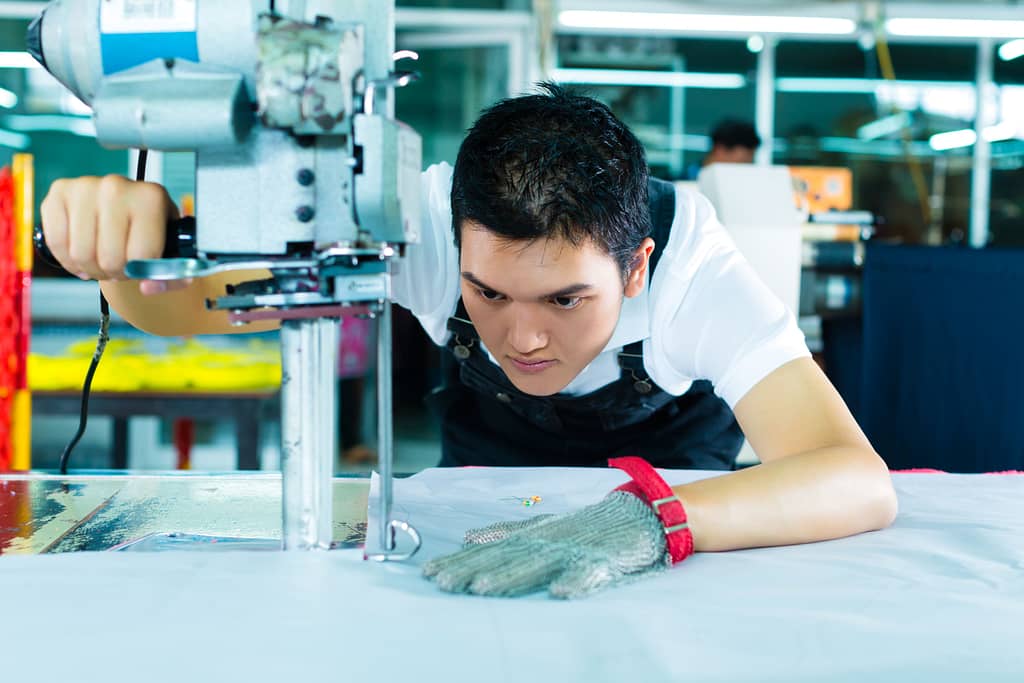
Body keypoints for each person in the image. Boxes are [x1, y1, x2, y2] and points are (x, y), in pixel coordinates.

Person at [40, 84, 896, 598]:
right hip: (479, 509)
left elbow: (855, 478)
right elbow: (175, 311)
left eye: (566, 298)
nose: (522, 336)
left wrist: (655, 521)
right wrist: (121, 255)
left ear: (635, 267)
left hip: (674, 519)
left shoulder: (694, 266)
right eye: (486, 293)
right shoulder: (416, 224)